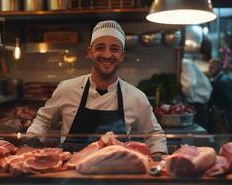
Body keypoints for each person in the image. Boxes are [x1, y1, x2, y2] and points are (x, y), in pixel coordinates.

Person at [27, 20, 167, 155]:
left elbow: (154, 135)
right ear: (89, 52)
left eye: (114, 49)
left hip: (118, 173)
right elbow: (44, 120)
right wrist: (30, 144)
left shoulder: (136, 96)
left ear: (122, 56)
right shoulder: (66, 89)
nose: (107, 55)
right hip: (71, 173)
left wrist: (158, 157)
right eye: (100, 48)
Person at [208, 59, 232, 134]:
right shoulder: (221, 80)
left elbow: (229, 100)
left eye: (213, 68)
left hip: (228, 119)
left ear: (219, 69)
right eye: (209, 67)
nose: (209, 70)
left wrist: (216, 108)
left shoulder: (223, 82)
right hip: (228, 118)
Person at [180, 58, 212, 131]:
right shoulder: (186, 62)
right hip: (200, 105)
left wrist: (187, 97)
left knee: (198, 137)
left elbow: (189, 85)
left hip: (197, 106)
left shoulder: (185, 63)